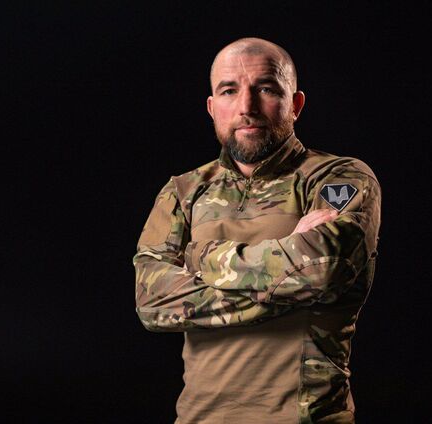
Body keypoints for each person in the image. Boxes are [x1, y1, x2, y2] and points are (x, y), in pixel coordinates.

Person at [133, 37, 381, 423]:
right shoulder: (183, 191)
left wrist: (202, 256)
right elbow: (152, 304)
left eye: (265, 88)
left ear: (295, 104)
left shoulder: (337, 177)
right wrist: (287, 270)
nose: (246, 107)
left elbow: (322, 270)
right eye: (229, 91)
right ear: (212, 108)